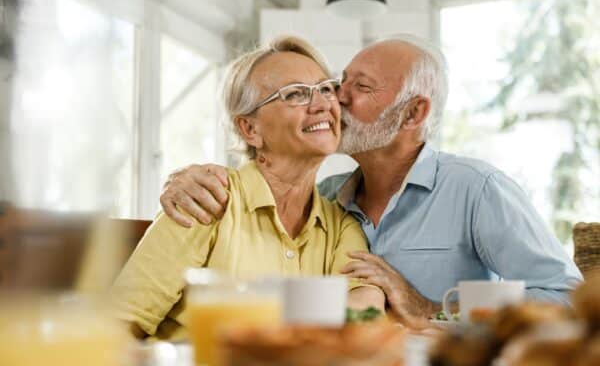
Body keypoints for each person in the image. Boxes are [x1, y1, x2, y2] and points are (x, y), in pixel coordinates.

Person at [159, 35, 583, 327]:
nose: (334, 97)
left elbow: (567, 298)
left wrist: (434, 307)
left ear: (413, 114)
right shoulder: (323, 201)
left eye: (359, 87)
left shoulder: (476, 189)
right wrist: (187, 178)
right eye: (338, 82)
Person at [111, 36, 384, 340]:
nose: (321, 104)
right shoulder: (205, 199)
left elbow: (364, 309)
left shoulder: (341, 225)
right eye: (295, 94)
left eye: (324, 89)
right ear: (250, 129)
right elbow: (118, 326)